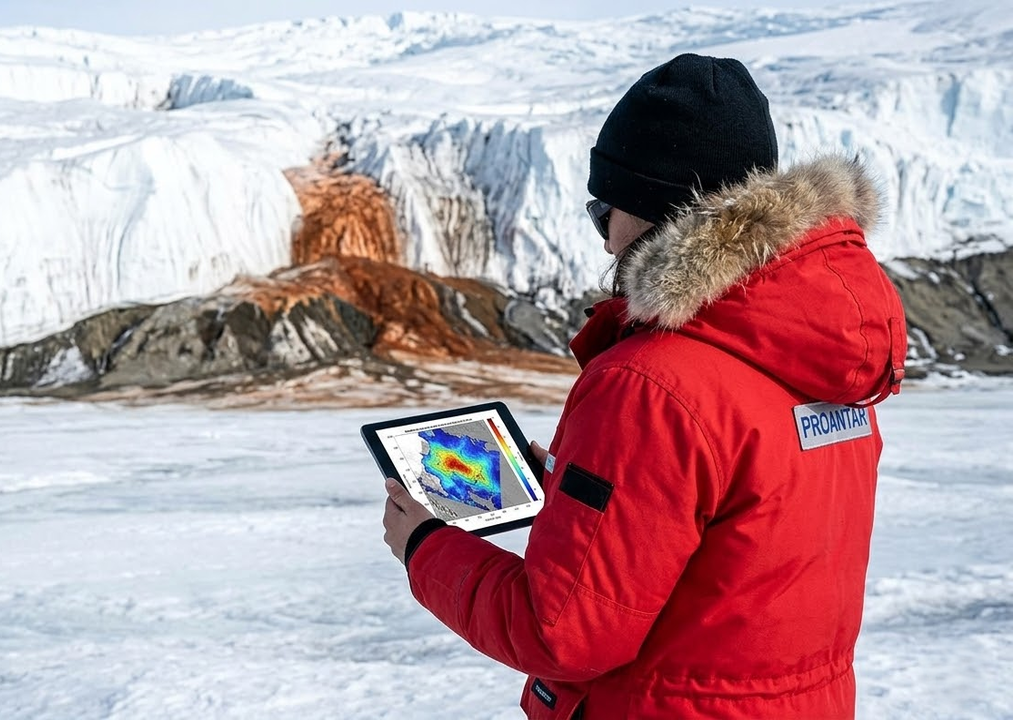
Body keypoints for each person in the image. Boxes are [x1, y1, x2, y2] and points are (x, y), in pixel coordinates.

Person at [382, 53, 907, 719]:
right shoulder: (831, 361)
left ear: (665, 209)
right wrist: (590, 495)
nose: (606, 243)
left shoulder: (650, 386)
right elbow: (741, 547)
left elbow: (562, 634)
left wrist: (424, 548)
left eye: (608, 212)